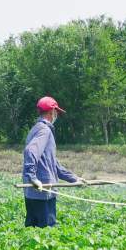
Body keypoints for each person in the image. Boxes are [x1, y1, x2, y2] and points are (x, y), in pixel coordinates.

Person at [22, 96, 87, 227]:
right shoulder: (44, 130)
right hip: (44, 192)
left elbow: (53, 164)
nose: (56, 115)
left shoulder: (36, 129)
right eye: (56, 112)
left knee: (31, 234)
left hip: (34, 194)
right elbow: (31, 151)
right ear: (52, 112)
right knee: (46, 233)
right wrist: (33, 178)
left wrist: (74, 179)